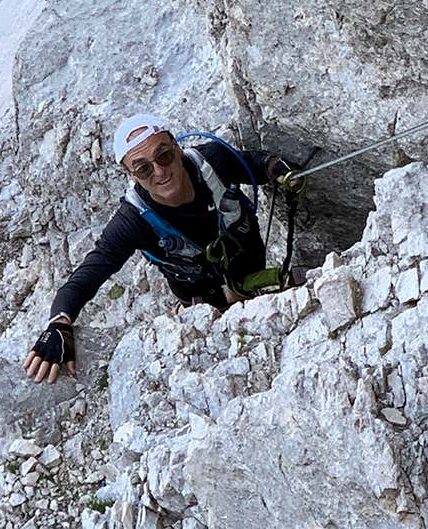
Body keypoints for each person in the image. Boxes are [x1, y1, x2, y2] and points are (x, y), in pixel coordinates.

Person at [24, 114, 302, 384]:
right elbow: (88, 274)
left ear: (177, 147)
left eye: (164, 156)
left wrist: (276, 169)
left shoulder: (212, 161)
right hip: (204, 301)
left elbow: (250, 164)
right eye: (143, 168)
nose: (159, 171)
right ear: (131, 175)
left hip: (251, 265)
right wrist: (59, 324)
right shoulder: (132, 221)